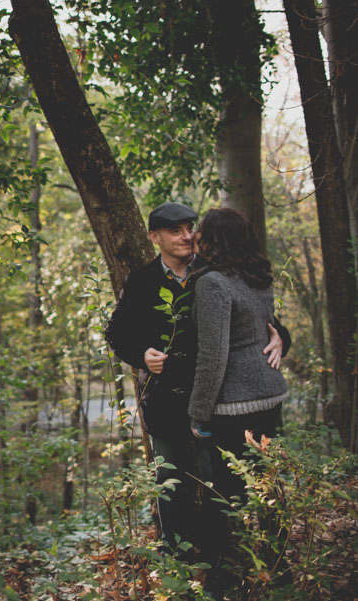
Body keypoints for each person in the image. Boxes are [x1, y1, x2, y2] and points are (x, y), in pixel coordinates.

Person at [105, 202, 288, 554]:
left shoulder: (216, 268)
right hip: (166, 398)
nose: (186, 236)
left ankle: (224, 559)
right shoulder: (141, 280)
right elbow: (116, 332)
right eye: (175, 231)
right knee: (171, 481)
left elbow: (258, 320)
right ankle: (177, 560)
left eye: (190, 228)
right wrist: (142, 354)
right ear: (154, 237)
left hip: (217, 400)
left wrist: (282, 338)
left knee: (220, 484)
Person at [187, 208, 289, 587]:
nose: (195, 236)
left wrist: (199, 412)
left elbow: (214, 355)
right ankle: (278, 569)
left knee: (226, 494)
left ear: (213, 239)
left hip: (234, 406)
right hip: (270, 395)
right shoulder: (258, 277)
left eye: (200, 231)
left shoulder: (213, 283)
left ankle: (224, 579)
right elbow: (266, 331)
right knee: (268, 485)